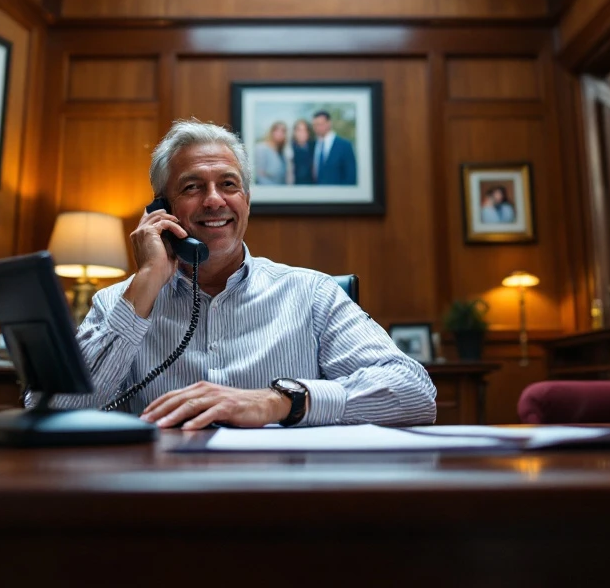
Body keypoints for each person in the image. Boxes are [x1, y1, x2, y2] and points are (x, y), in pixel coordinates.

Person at [51, 119, 436, 428]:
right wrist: (147, 281)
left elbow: (415, 393)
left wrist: (279, 401)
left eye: (229, 184)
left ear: (246, 203)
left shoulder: (312, 294)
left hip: (286, 500)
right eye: (193, 186)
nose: (215, 199)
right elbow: (54, 410)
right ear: (161, 209)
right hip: (163, 501)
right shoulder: (117, 303)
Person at [311, 109, 357, 185]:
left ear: (329, 123)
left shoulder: (345, 145)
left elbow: (351, 176)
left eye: (320, 124)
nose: (317, 128)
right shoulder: (313, 145)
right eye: (315, 125)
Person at [252, 121, 287, 185]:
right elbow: (259, 175)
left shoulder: (281, 153)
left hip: (281, 191)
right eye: (277, 130)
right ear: (271, 132)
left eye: (283, 131)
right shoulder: (262, 148)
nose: (280, 133)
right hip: (267, 191)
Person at [289, 118, 314, 184]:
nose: (302, 133)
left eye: (305, 130)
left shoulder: (314, 148)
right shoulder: (289, 149)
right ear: (294, 132)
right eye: (299, 130)